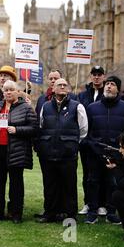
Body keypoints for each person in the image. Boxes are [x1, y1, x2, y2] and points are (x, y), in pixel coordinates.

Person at [0, 80, 38, 223]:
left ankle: (15, 214)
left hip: (15, 151)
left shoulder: (25, 107)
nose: (8, 92)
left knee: (16, 185)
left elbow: (34, 128)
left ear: (17, 91)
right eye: (6, 90)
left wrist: (17, 130)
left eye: (11, 89)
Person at [85, 76, 124, 224]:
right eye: (107, 84)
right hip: (95, 153)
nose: (108, 86)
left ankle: (111, 212)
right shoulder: (92, 108)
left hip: (116, 154)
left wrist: (121, 150)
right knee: (93, 182)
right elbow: (86, 131)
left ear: (118, 89)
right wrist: (94, 146)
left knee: (113, 183)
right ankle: (92, 211)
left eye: (112, 84)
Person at [36, 78, 88, 223]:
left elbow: (83, 129)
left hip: (68, 154)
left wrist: (71, 143)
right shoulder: (45, 107)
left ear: (69, 89)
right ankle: (50, 213)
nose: (63, 87)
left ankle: (70, 214)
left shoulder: (77, 107)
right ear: (53, 89)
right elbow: (41, 125)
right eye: (60, 85)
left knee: (69, 185)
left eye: (65, 85)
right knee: (50, 185)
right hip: (49, 152)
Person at [77, 65, 106, 215]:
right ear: (91, 76)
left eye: (99, 74)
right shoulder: (82, 96)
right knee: (87, 174)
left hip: (101, 139)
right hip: (86, 141)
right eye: (94, 74)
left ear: (103, 76)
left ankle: (101, 204)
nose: (96, 77)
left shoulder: (106, 93)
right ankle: (88, 203)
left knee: (102, 173)